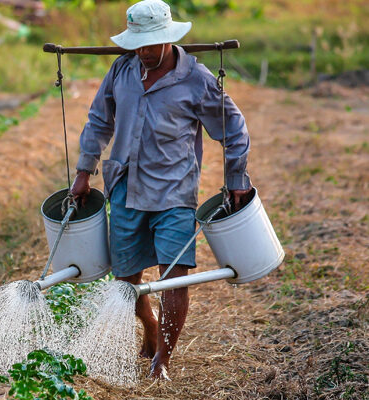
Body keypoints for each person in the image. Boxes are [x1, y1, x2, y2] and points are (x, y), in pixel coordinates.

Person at [70, 0, 253, 380]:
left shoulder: (196, 80)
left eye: (151, 44)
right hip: (124, 188)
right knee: (126, 281)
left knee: (175, 276)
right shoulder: (121, 70)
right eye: (138, 43)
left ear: (169, 40)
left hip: (174, 192)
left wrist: (236, 178)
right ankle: (150, 326)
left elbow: (234, 129)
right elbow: (98, 120)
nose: (143, 51)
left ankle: (161, 362)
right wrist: (84, 171)